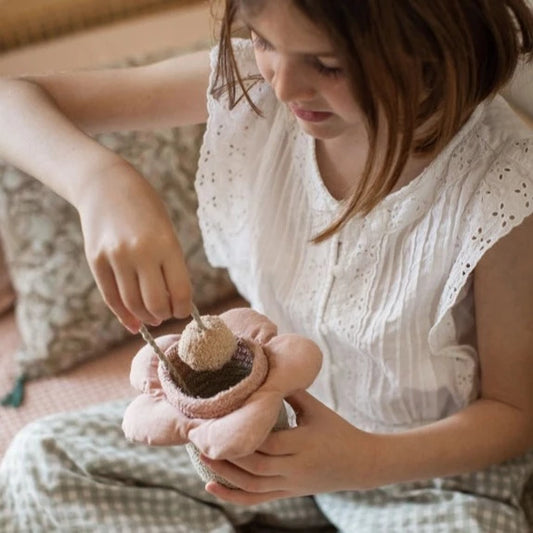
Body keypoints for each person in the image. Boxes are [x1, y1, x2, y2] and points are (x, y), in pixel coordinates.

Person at [1, 0, 533, 531]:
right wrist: (100, 179)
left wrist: (361, 462)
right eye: (263, 40)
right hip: (267, 432)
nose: (283, 87)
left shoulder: (502, 180)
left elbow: (514, 416)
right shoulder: (251, 87)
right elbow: (10, 98)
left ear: (430, 43)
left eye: (327, 65)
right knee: (45, 460)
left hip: (424, 481)